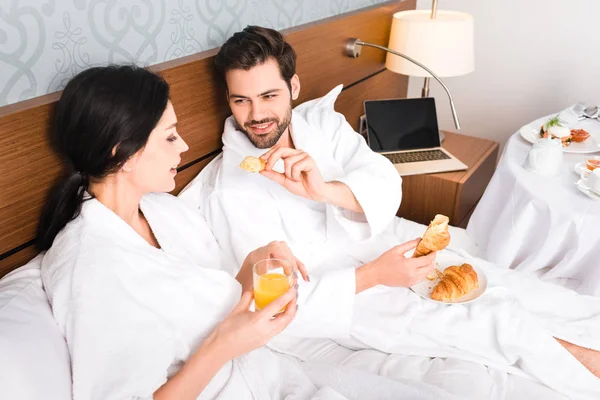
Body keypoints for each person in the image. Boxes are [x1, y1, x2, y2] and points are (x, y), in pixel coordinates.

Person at [180, 26, 600, 399]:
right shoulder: (227, 192)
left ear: (293, 88)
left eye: (268, 96)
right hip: (349, 297)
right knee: (492, 324)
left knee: (518, 288)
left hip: (383, 245)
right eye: (241, 100)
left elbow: (382, 180)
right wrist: (375, 277)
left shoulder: (320, 127)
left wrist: (327, 190)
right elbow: (276, 305)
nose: (256, 116)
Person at [37, 65, 456, 400]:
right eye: (169, 136)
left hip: (271, 373)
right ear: (121, 152)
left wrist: (251, 265)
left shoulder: (162, 211)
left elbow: (211, 299)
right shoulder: (90, 268)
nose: (184, 147)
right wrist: (225, 345)